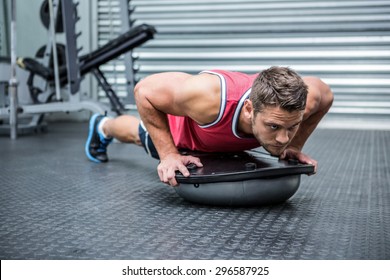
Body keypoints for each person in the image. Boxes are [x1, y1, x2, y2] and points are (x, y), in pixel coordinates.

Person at [85, 66, 333, 186]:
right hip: (180, 138)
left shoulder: (306, 100)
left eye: (290, 127)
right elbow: (144, 91)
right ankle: (103, 126)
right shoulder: (209, 97)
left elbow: (327, 96)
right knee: (137, 134)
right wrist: (169, 154)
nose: (281, 138)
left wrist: (295, 144)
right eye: (273, 127)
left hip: (222, 145)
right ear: (249, 109)